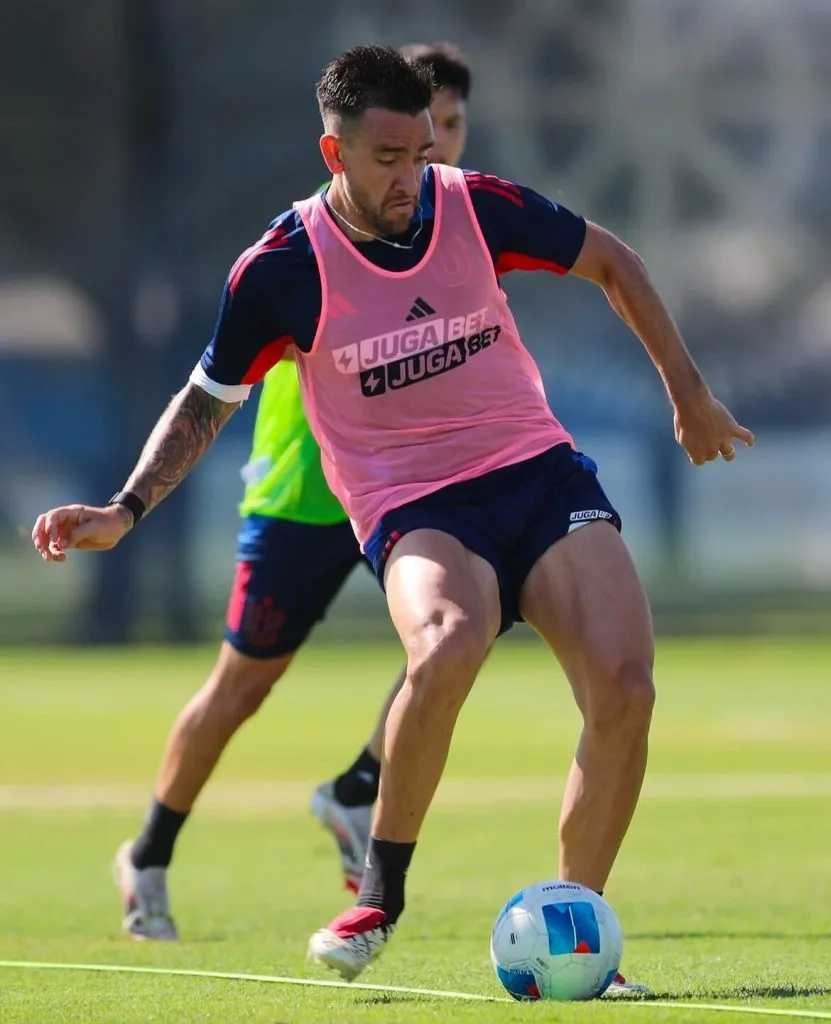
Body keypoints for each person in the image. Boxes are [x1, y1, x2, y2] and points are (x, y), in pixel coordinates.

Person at [32, 44, 753, 991]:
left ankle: (579, 931)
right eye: (387, 158)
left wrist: (689, 397)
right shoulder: (280, 270)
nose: (413, 175)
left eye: (420, 152)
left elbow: (611, 260)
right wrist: (126, 508)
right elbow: (207, 398)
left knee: (625, 687)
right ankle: (380, 895)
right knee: (447, 640)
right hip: (413, 500)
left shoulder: (471, 202)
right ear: (334, 155)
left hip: (534, 470)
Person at [103, 42, 470, 945]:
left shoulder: (459, 221)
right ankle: (148, 851)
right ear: (348, 149)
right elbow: (215, 386)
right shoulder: (308, 246)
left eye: (450, 132)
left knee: (467, 622)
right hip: (305, 496)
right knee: (240, 690)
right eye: (415, 142)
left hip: (410, 491)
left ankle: (354, 789)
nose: (439, 154)